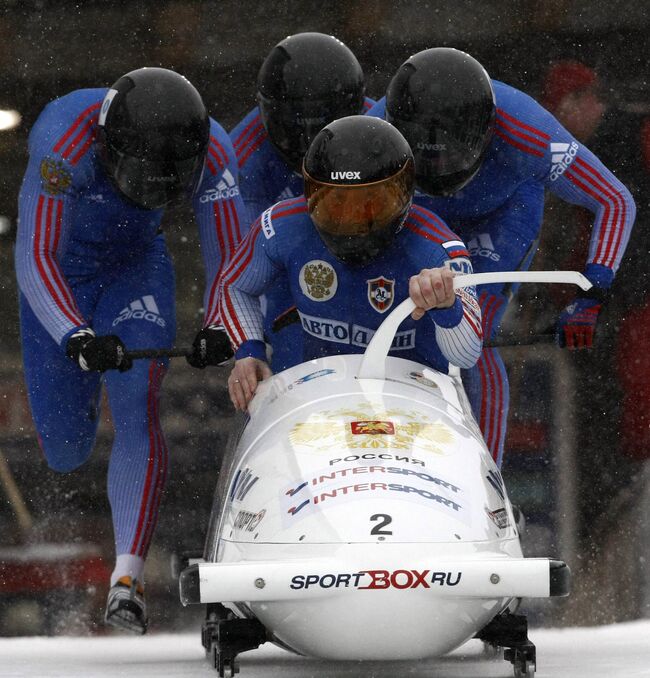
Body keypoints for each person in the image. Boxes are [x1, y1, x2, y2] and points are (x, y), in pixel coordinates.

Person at [14, 67, 240, 634]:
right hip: (60, 276)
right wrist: (75, 335)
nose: (154, 191)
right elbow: (34, 256)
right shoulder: (60, 142)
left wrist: (221, 322)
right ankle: (78, 394)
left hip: (133, 269)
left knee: (138, 398)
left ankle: (127, 578)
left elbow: (231, 256)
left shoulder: (215, 150)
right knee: (65, 449)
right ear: (109, 148)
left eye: (171, 182)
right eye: (144, 176)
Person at [366, 48, 636, 467]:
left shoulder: (528, 131)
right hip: (417, 211)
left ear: (485, 132)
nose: (439, 165)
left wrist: (592, 291)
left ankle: (487, 477)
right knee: (388, 316)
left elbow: (614, 200)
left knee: (473, 338)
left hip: (502, 216)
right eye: (427, 153)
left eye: (449, 151)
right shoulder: (376, 130)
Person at [218, 115, 483, 410]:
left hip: (414, 401)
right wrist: (249, 352)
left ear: (404, 194)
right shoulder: (279, 227)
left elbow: (467, 354)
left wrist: (446, 305)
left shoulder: (438, 250)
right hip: (324, 396)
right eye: (337, 205)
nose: (352, 222)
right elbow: (235, 286)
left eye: (372, 204)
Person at [229, 32, 374, 372]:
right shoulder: (245, 159)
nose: (310, 141)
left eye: (322, 124)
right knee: (289, 336)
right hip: (291, 269)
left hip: (371, 252)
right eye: (297, 125)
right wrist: (248, 342)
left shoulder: (380, 132)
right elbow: (244, 266)